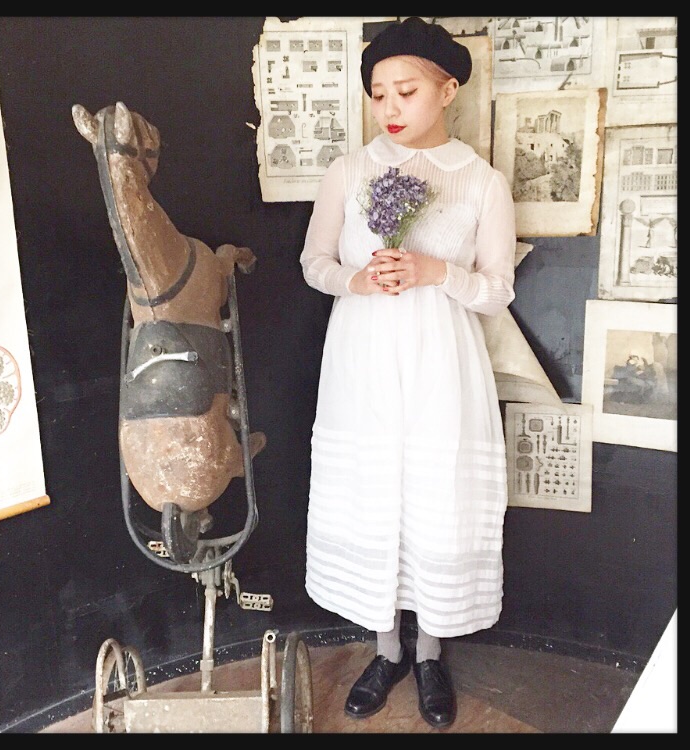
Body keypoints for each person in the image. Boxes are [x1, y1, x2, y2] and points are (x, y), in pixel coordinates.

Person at [299, 17, 516, 730]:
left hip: (441, 362)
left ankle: (430, 653)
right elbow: (315, 262)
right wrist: (358, 281)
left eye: (407, 90)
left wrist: (434, 271)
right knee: (373, 490)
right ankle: (385, 649)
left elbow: (497, 290)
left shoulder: (481, 182)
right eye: (378, 93)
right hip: (363, 357)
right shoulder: (348, 171)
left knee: (435, 494)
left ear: (447, 90)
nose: (389, 106)